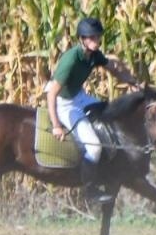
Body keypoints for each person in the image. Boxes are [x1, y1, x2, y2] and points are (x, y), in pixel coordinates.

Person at [45, 16, 142, 203]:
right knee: (94, 146)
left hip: (79, 96)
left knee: (109, 113)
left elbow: (112, 69)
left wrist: (131, 81)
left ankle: (108, 166)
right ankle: (89, 190)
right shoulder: (71, 59)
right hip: (63, 102)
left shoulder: (94, 54)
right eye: (91, 37)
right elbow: (52, 94)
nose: (96, 41)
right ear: (82, 39)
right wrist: (56, 125)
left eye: (97, 37)